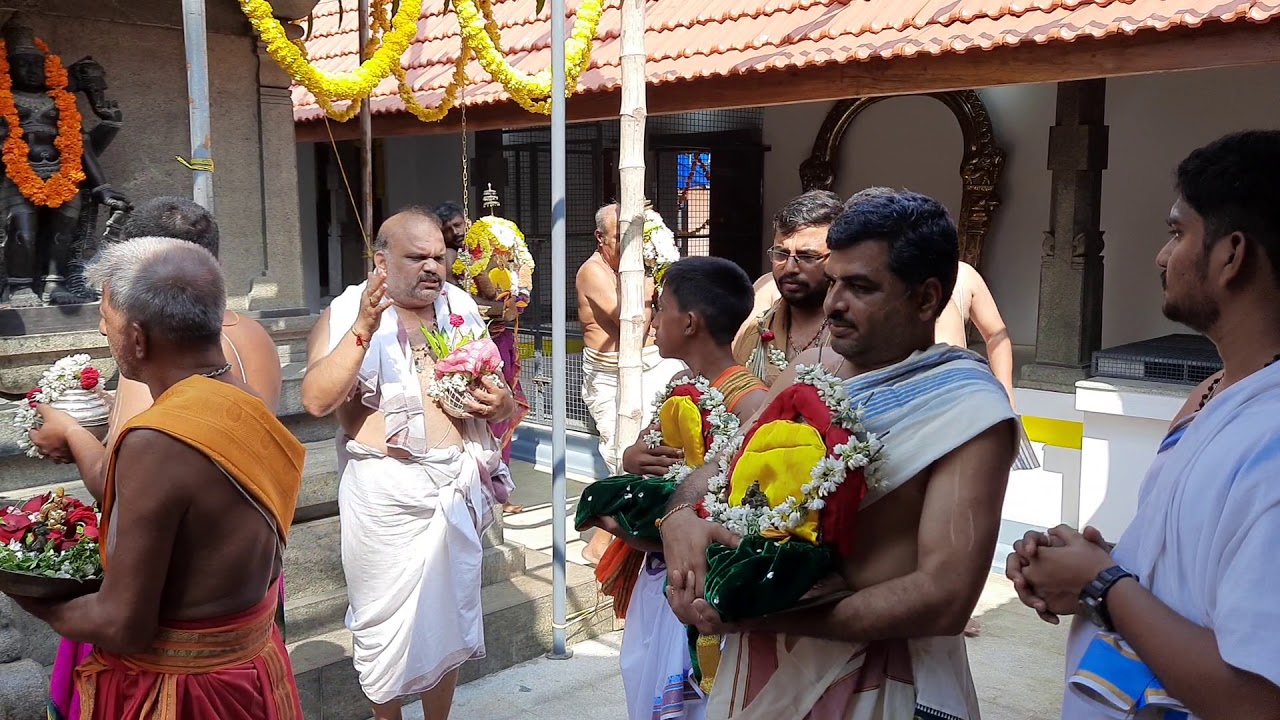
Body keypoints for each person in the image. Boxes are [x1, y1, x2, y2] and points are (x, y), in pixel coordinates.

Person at [660, 190, 1018, 719]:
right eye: (836, 281)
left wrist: (757, 615)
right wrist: (679, 515)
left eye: (861, 287)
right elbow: (730, 462)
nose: (833, 304)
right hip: (756, 672)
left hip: (873, 682)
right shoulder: (813, 366)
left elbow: (944, 598)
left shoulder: (967, 408)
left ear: (926, 299)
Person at [1007, 131, 1280, 719]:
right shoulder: (1216, 392)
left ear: (1232, 255)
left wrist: (1102, 584)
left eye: (1178, 232)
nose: (1162, 256)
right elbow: (1186, 576)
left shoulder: (1272, 441)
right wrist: (1083, 565)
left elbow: (1259, 698)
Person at [14, 237, 305, 719]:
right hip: (253, 672)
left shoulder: (157, 441)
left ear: (138, 339)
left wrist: (30, 596)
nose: (105, 335)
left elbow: (122, 623)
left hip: (184, 694)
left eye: (106, 324)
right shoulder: (247, 403)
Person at [301, 207, 518, 720]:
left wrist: (501, 406)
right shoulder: (347, 312)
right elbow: (315, 400)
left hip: (452, 482)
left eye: (439, 257)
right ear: (381, 261)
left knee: (448, 618)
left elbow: (504, 394)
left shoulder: (458, 307)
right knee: (381, 628)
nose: (432, 268)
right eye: (416, 257)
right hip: (385, 494)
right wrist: (363, 327)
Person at [586, 257, 768, 720]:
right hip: (658, 578)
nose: (651, 320)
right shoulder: (680, 382)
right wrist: (632, 458)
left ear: (688, 322)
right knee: (645, 685)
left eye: (659, 308)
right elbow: (648, 446)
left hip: (701, 582)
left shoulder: (754, 401)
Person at [577, 203, 685, 563]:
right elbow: (629, 318)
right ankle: (604, 546)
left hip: (652, 363)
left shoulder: (635, 268)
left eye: (638, 237)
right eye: (623, 237)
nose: (631, 246)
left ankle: (645, 530)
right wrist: (653, 277)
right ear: (600, 238)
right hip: (609, 375)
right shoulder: (592, 271)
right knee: (620, 453)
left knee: (664, 443)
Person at [436, 200, 529, 515]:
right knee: (487, 419)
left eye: (458, 225)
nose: (455, 233)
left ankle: (501, 488)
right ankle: (488, 490)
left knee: (505, 413)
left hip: (500, 340)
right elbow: (458, 302)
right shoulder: (447, 260)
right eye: (448, 230)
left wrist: (512, 298)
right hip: (474, 347)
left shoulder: (483, 248)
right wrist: (501, 308)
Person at [732, 190, 842, 387]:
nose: (790, 267)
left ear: (838, 258)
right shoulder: (756, 331)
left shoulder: (850, 331)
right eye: (781, 254)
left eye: (807, 256)